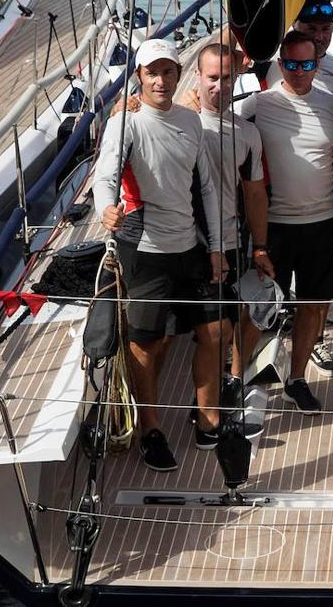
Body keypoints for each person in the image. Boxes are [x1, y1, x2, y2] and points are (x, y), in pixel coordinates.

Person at [92, 38, 225, 472]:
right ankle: (150, 429)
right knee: (148, 344)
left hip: (191, 246)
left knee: (215, 331)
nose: (161, 79)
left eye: (168, 71)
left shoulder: (192, 123)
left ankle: (208, 419)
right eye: (152, 72)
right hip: (144, 249)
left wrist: (218, 246)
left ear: (177, 74)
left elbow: (207, 187)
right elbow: (105, 177)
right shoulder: (123, 123)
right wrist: (105, 211)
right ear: (139, 78)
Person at [246, 30, 333, 413]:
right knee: (258, 309)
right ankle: (238, 380)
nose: (300, 71)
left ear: (317, 64)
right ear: (280, 65)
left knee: (313, 305)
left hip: (324, 220)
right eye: (292, 64)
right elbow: (214, 119)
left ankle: (297, 379)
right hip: (275, 224)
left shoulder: (332, 104)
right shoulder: (258, 104)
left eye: (307, 64)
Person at [193, 44, 271, 402]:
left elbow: (255, 194)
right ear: (198, 77)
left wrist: (260, 247)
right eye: (212, 78)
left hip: (232, 239)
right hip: (190, 242)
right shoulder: (183, 122)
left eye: (226, 78)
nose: (219, 86)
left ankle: (233, 381)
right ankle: (205, 404)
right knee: (215, 330)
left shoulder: (249, 134)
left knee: (258, 307)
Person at [294, 0, 333, 97]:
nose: (319, 37)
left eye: (326, 29)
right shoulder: (276, 61)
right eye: (311, 29)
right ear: (294, 26)